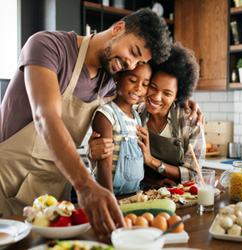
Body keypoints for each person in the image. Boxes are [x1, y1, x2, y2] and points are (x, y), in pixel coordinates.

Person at [0, 8, 171, 236]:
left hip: (52, 193)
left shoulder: (109, 82)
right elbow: (46, 116)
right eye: (133, 51)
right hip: (8, 179)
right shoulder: (48, 46)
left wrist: (186, 105)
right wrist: (85, 185)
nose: (131, 64)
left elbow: (140, 101)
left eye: (139, 60)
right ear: (118, 28)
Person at [88, 42, 206, 190]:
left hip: (180, 195)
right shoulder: (134, 113)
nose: (156, 97)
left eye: (167, 93)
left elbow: (193, 173)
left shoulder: (190, 120)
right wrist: (92, 152)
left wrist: (151, 161)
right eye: (152, 87)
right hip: (141, 193)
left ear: (178, 96)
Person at [91, 63, 152, 195]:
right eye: (132, 80)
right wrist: (109, 197)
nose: (138, 88)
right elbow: (104, 164)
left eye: (144, 84)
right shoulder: (106, 114)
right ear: (117, 77)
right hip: (109, 194)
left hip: (133, 194)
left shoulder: (136, 117)